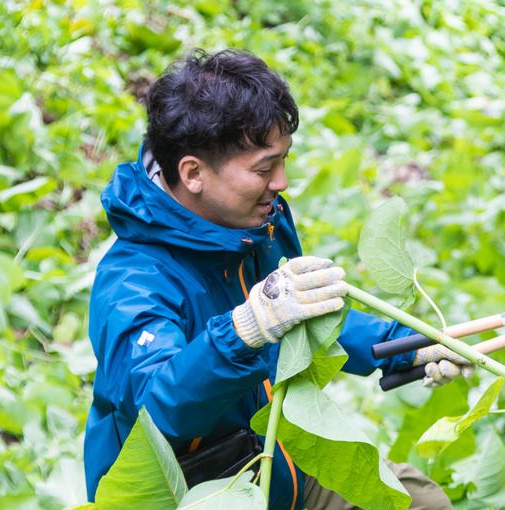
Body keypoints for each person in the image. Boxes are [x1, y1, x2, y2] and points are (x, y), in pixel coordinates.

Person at [83, 49, 471, 509]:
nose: (282, 182)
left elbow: (303, 323)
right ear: (192, 174)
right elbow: (157, 407)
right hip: (193, 493)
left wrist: (405, 345)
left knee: (419, 503)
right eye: (265, 168)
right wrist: (244, 331)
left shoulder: (254, 225)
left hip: (279, 466)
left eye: (284, 160)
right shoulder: (132, 280)